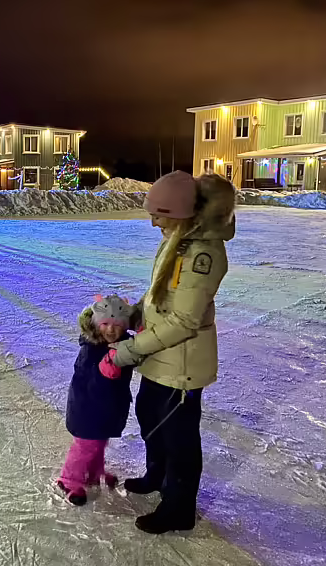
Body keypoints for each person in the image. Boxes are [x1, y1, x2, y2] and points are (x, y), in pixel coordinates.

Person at [101, 171, 236, 534]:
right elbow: (159, 294)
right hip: (160, 357)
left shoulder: (202, 253)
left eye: (158, 215)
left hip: (182, 364)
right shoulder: (178, 239)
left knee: (179, 438)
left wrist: (129, 350)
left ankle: (179, 508)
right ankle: (157, 475)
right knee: (149, 415)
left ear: (179, 213)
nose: (153, 223)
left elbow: (183, 320)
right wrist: (131, 315)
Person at [56, 295, 135, 506]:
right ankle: (69, 480)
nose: (111, 330)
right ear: (96, 323)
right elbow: (87, 379)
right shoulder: (91, 348)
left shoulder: (122, 344)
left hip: (108, 408)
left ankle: (93, 473)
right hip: (87, 409)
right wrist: (103, 372)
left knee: (98, 444)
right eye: (105, 324)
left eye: (117, 325)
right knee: (86, 446)